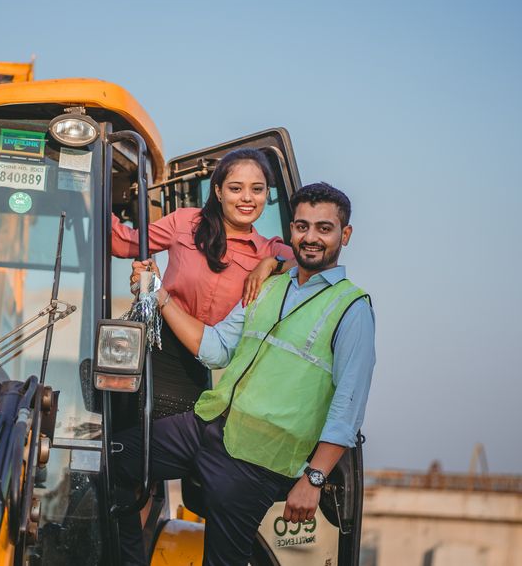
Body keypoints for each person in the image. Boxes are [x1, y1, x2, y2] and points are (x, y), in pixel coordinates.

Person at [116, 182, 375, 566]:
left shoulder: (352, 309)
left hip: (258, 461)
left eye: (324, 228)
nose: (311, 237)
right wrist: (160, 296)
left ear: (345, 235)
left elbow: (348, 408)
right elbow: (217, 347)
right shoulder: (267, 286)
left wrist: (314, 479)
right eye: (302, 226)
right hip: (207, 425)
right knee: (111, 461)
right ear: (291, 232)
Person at [111, 148, 292, 418]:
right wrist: (87, 189)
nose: (247, 198)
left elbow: (316, 264)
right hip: (156, 348)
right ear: (218, 191)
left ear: (267, 194)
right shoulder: (185, 222)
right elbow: (125, 242)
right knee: (128, 438)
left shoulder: (268, 250)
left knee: (173, 445)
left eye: (257, 189)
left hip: (204, 363)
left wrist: (271, 264)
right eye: (235, 188)